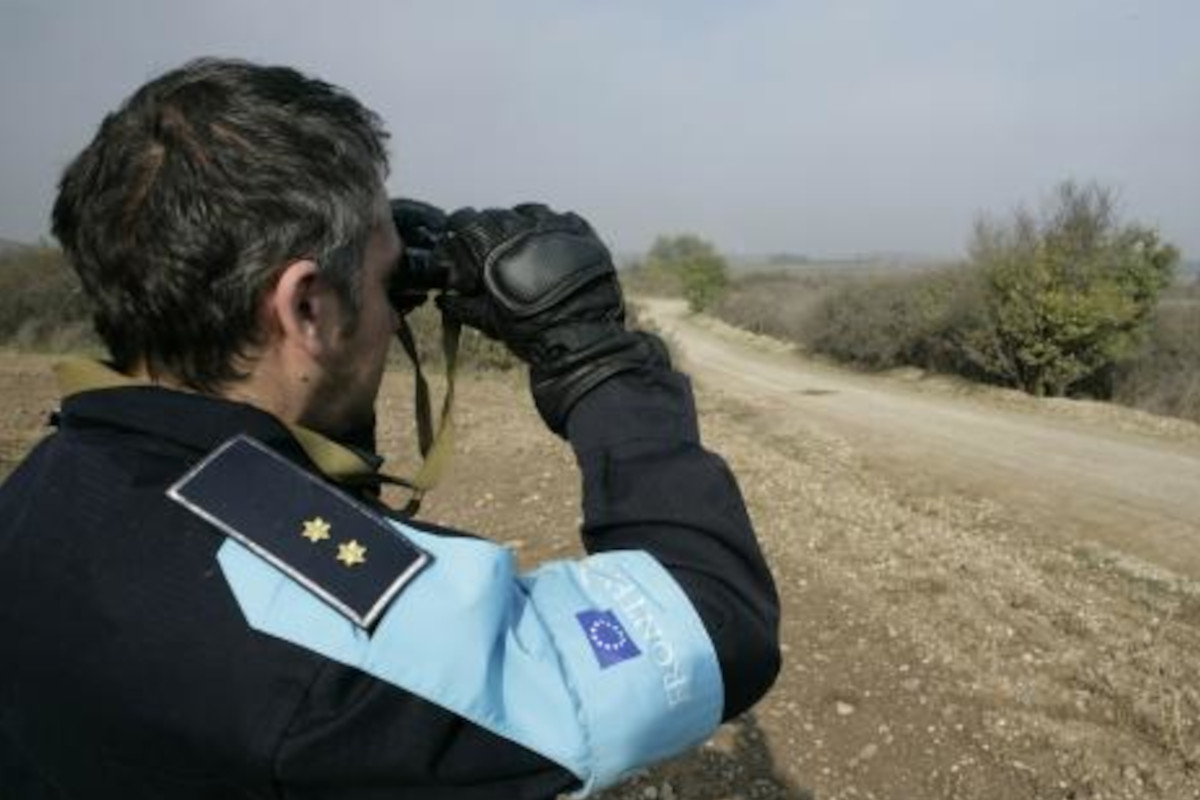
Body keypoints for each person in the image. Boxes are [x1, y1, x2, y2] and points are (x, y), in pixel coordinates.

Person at [0, 58, 780, 799]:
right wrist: (597, 354)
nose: (393, 295)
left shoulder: (46, 486)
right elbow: (710, 622)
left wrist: (354, 310)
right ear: (305, 306)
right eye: (386, 279)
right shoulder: (332, 647)